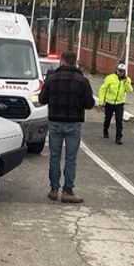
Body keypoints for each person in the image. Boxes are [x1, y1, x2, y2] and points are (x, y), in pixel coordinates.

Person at [38, 51, 95, 203]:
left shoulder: (52, 79)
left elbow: (42, 99)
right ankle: (68, 190)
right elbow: (90, 104)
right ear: (75, 63)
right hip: (73, 123)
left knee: (54, 157)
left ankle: (54, 189)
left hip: (55, 122)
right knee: (71, 158)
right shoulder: (83, 81)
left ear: (61, 62)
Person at [99, 63, 133, 145]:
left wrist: (126, 82)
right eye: (119, 71)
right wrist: (101, 101)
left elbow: (130, 90)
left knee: (119, 121)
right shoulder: (110, 78)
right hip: (110, 103)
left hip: (119, 103)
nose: (120, 73)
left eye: (122, 71)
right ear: (116, 70)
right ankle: (105, 130)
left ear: (124, 72)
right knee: (108, 118)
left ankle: (118, 137)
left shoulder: (127, 80)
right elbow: (103, 90)